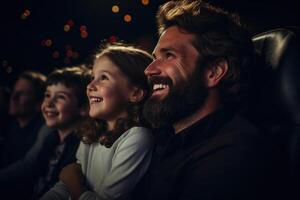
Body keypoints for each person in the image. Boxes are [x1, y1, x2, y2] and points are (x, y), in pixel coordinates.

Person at [142, 1, 279, 200]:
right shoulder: (166, 139)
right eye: (155, 57)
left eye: (169, 55)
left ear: (214, 72)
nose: (149, 69)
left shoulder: (233, 156)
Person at [41, 44, 154, 200]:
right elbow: (61, 190)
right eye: (92, 77)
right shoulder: (92, 134)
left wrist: (75, 185)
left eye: (104, 78)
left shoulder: (138, 138)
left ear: (135, 93)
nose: (90, 86)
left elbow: (72, 181)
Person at [31, 66, 91, 199]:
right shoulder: (51, 139)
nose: (49, 103)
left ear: (83, 108)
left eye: (61, 97)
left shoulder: (80, 148)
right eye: (47, 95)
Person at [0, 71, 46, 167]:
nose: (13, 98)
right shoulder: (12, 125)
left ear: (39, 101)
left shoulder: (42, 132)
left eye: (22, 93)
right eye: (13, 91)